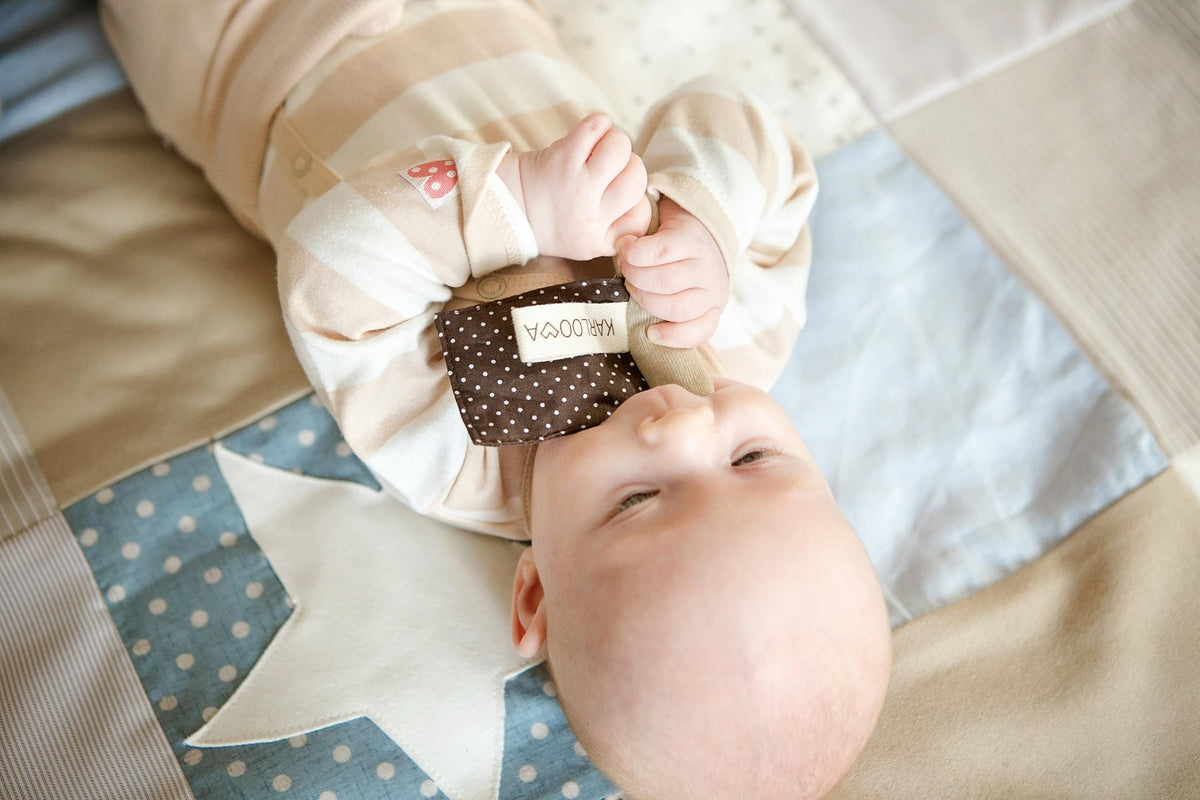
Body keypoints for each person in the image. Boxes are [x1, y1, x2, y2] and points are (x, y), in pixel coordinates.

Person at [100, 0, 892, 796]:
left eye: (638, 500)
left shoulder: (454, 450)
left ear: (537, 590)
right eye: (751, 457)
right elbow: (732, 114)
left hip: (245, 42)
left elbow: (329, 273)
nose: (680, 425)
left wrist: (519, 205)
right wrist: (707, 221)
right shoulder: (737, 327)